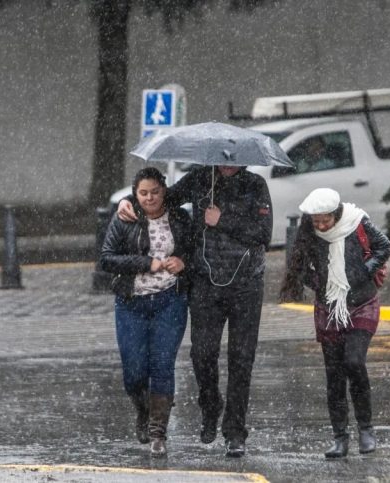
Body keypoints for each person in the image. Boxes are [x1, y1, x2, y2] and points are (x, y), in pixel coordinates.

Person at [117, 164, 272, 458]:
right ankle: (210, 405)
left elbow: (263, 234)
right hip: (205, 284)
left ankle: (235, 431)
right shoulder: (202, 177)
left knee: (241, 358)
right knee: (202, 354)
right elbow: (164, 196)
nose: (227, 164)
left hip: (246, 285)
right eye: (222, 158)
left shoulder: (255, 185)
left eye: (233, 159)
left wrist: (222, 220)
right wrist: (129, 199)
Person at [279, 188, 390, 458]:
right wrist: (319, 283)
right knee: (334, 376)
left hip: (362, 303)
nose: (321, 225)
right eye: (316, 220)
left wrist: (364, 271)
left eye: (325, 220)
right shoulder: (308, 232)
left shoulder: (357, 221)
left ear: (337, 213)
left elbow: (384, 247)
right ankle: (340, 437)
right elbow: (298, 267)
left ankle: (366, 429)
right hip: (328, 307)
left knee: (354, 361)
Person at [100, 167, 193, 458]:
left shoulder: (179, 217)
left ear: (164, 190)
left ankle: (158, 433)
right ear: (134, 193)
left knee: (162, 365)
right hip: (131, 303)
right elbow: (107, 259)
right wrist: (146, 263)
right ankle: (142, 411)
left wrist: (183, 261)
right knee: (134, 372)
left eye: (155, 191)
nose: (149, 198)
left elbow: (195, 248)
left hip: (170, 300)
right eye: (143, 193)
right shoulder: (125, 216)